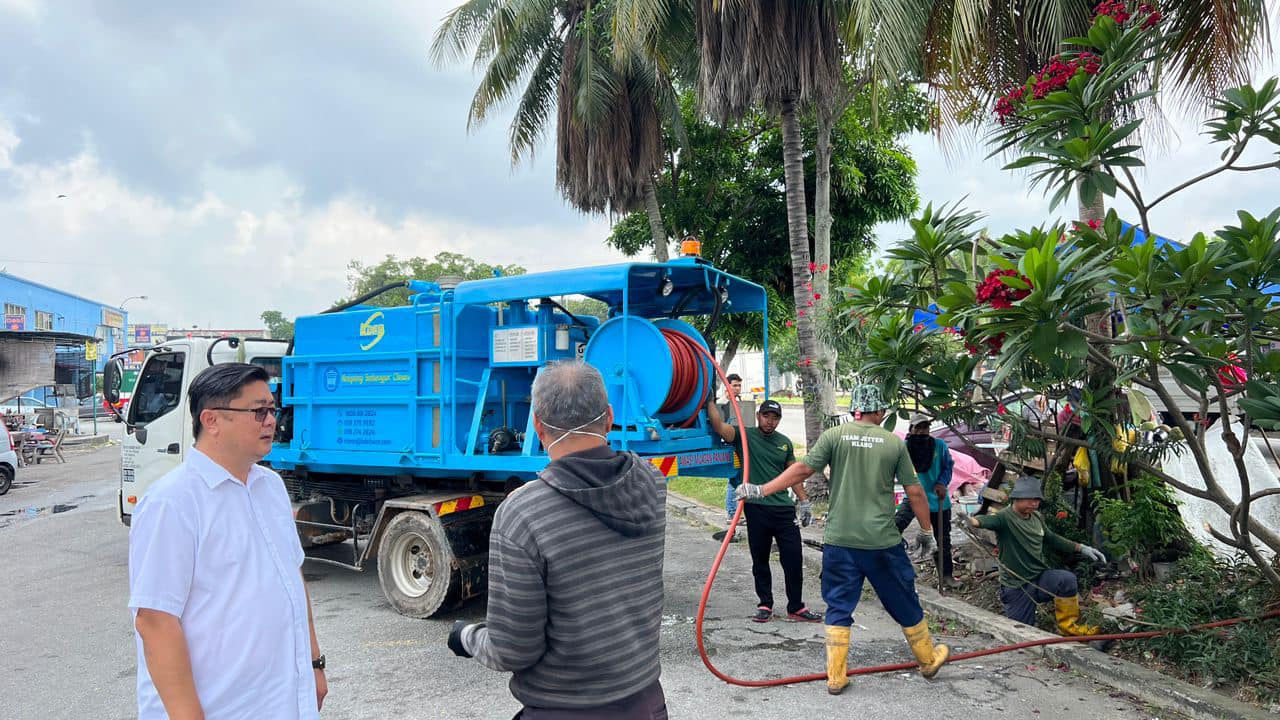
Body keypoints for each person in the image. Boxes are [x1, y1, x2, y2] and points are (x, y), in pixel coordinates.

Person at [448, 361, 668, 719]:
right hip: (647, 705)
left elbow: (513, 650)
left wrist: (467, 636)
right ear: (609, 417)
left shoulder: (523, 514)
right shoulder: (652, 483)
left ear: (537, 424)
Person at [128, 363, 326, 719]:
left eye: (272, 409)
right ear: (212, 420)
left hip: (283, 701)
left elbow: (292, 578)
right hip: (221, 707)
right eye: (258, 411)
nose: (271, 421)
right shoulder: (172, 502)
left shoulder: (271, 487)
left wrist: (314, 663)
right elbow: (155, 621)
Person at [739, 385, 949, 695]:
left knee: (838, 604)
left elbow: (802, 469)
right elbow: (915, 492)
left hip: (840, 540)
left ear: (855, 409)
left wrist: (761, 489)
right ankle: (928, 659)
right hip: (881, 542)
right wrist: (927, 532)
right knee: (903, 598)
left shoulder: (834, 436)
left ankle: (836, 676)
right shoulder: (893, 443)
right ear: (878, 411)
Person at [707, 397, 821, 624]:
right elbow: (719, 426)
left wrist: (804, 501)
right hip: (756, 508)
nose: (770, 421)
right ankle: (765, 604)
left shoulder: (785, 443)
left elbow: (794, 474)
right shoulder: (744, 435)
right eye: (766, 416)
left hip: (784, 510)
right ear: (758, 416)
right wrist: (709, 399)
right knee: (760, 559)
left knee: (793, 559)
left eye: (775, 417)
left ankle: (796, 606)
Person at [957, 476, 1107, 638]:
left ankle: (1069, 628)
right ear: (1016, 498)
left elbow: (1051, 538)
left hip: (1039, 579)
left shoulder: (1036, 517)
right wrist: (971, 521)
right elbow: (986, 521)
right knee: (1022, 635)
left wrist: (1082, 548)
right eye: (1029, 499)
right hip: (1017, 587)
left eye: (1036, 499)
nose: (1034, 503)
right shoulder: (1005, 518)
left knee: (1067, 580)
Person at [893, 414, 960, 589]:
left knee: (943, 539)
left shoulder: (939, 446)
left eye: (925, 427)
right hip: (913, 498)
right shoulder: (904, 448)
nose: (922, 431)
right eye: (918, 428)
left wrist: (941, 482)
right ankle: (895, 568)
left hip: (937, 499)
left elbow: (948, 466)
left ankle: (946, 575)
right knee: (893, 530)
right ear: (911, 430)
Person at [714, 373, 745, 541]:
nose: (737, 389)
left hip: (739, 445)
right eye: (734, 385)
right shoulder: (721, 405)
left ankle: (737, 513)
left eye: (739, 385)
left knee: (739, 478)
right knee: (733, 479)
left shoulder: (740, 404)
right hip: (728, 445)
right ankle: (732, 513)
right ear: (727, 387)